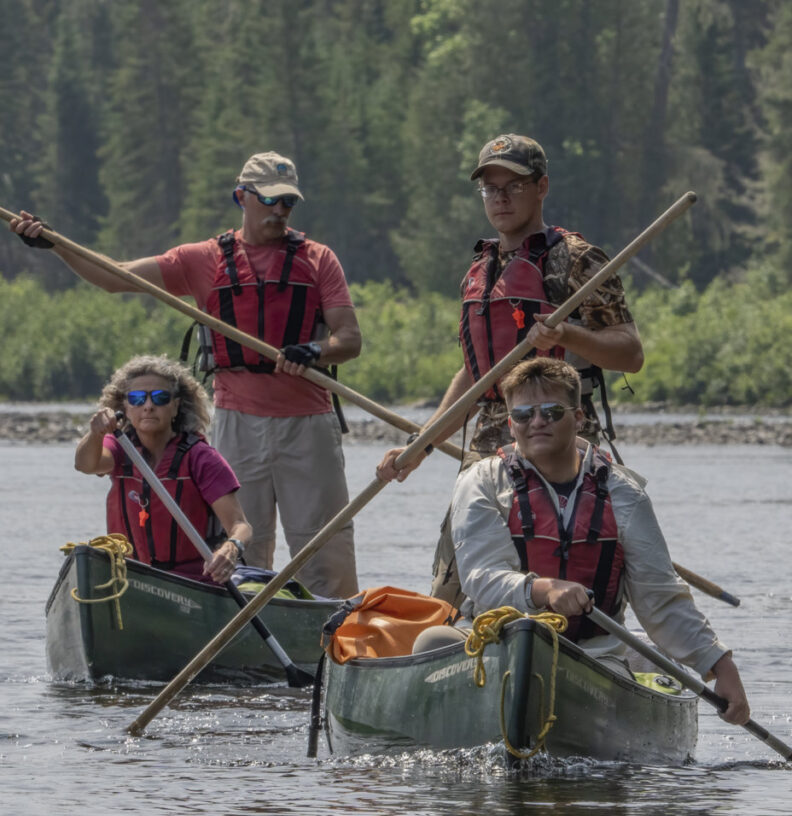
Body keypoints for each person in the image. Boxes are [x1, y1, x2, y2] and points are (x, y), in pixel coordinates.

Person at [11, 151, 361, 598]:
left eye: (288, 203)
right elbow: (114, 277)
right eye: (270, 200)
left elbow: (348, 339)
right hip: (238, 423)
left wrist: (313, 350)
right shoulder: (203, 259)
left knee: (324, 551)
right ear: (242, 197)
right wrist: (55, 243)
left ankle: (331, 642)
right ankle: (246, 646)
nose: (279, 211)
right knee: (241, 553)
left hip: (308, 425)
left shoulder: (318, 259)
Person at [410, 356, 750, 727]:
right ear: (511, 425)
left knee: (636, 667)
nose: (536, 422)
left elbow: (660, 597)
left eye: (552, 412)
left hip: (591, 654)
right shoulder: (481, 480)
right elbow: (480, 574)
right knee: (430, 643)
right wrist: (544, 590)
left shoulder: (624, 493)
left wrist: (720, 666)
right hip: (496, 642)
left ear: (579, 418)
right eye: (523, 415)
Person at [377, 133, 644, 604]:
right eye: (490, 189)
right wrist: (422, 444)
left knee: (567, 565)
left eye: (513, 186)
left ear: (541, 186)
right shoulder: (480, 268)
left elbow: (630, 353)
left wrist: (567, 335)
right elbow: (476, 372)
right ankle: (463, 649)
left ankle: (582, 647)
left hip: (559, 438)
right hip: (489, 442)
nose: (500, 198)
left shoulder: (580, 260)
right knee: (459, 579)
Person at [75, 354, 251, 585]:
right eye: (137, 398)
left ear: (175, 406)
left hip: (191, 581)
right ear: (125, 408)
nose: (148, 406)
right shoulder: (119, 447)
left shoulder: (201, 458)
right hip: (128, 575)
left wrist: (231, 547)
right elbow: (85, 464)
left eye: (160, 397)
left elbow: (241, 526)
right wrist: (96, 433)